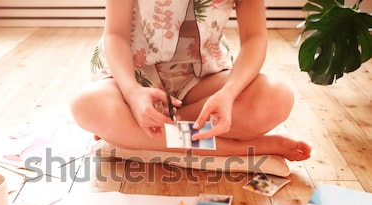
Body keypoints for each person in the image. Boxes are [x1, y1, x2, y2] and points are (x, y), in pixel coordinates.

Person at [70, 0, 312, 161]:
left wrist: (229, 93)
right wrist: (132, 93)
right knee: (87, 105)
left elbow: (255, 39)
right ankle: (249, 147)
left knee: (277, 97)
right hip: (130, 76)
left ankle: (133, 133)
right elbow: (115, 34)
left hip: (202, 77)